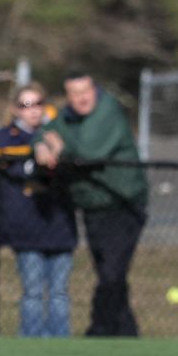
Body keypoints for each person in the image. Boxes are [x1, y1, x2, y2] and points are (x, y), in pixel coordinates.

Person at [34, 71, 148, 337]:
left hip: (122, 204)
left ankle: (99, 329)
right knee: (110, 275)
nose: (81, 98)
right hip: (93, 207)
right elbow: (45, 133)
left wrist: (59, 147)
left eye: (85, 91)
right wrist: (40, 145)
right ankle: (127, 334)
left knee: (111, 273)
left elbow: (89, 152)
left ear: (94, 90)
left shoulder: (107, 111)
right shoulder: (68, 116)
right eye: (74, 93)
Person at [0, 83, 77, 337]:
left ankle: (59, 344)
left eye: (38, 104)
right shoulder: (5, 137)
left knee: (59, 292)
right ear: (15, 109)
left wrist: (56, 147)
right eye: (26, 105)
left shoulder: (58, 135)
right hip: (26, 227)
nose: (33, 110)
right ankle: (32, 342)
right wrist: (36, 159)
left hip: (59, 225)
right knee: (33, 291)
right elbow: (0, 156)